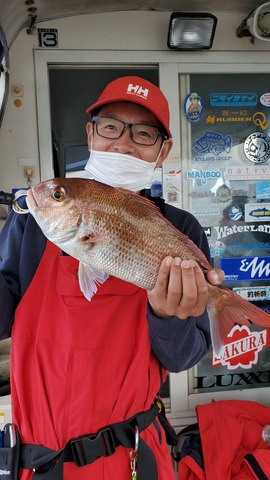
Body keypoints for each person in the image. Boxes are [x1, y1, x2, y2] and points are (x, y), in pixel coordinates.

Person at [0, 76, 224, 480]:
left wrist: (167, 315)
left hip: (136, 456)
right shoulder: (34, 224)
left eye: (142, 133)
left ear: (162, 151)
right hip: (41, 461)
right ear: (90, 134)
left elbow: (182, 358)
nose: (123, 143)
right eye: (110, 127)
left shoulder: (179, 229)